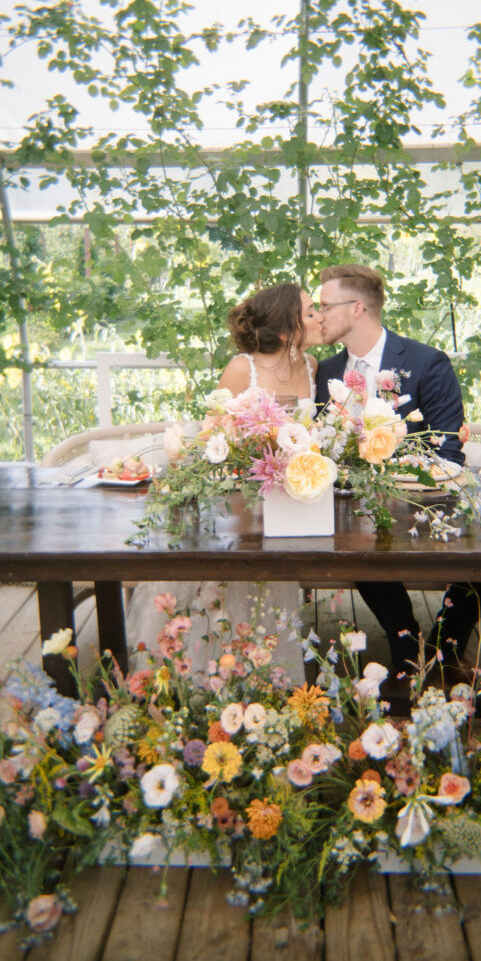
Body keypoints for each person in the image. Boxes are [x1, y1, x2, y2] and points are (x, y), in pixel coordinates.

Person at [125, 283, 323, 683]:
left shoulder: (312, 365)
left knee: (273, 590)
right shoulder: (241, 369)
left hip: (285, 500)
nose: (319, 316)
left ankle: (266, 682)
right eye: (310, 311)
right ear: (285, 329)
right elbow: (213, 434)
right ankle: (205, 678)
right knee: (228, 587)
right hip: (238, 499)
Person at [315, 263, 481, 682]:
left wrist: (399, 479)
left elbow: (449, 448)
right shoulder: (324, 373)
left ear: (357, 308)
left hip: (426, 502)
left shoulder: (427, 362)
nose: (318, 317)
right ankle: (406, 647)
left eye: (324, 307)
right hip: (355, 511)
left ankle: (446, 650)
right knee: (357, 544)